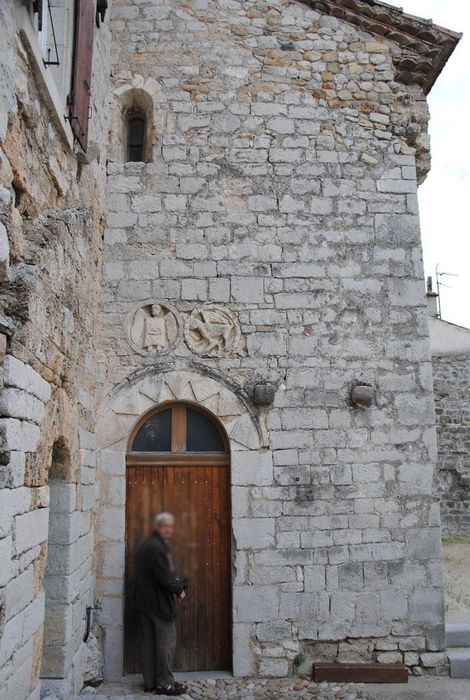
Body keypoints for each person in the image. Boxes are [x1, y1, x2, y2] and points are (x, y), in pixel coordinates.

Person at [134, 512, 187, 696]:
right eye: (165, 526)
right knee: (166, 644)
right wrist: (179, 589)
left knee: (149, 644)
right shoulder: (156, 547)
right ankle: (165, 684)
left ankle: (150, 683)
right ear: (157, 527)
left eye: (171, 526)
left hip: (146, 604)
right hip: (158, 606)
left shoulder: (149, 545)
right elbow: (165, 577)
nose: (169, 530)